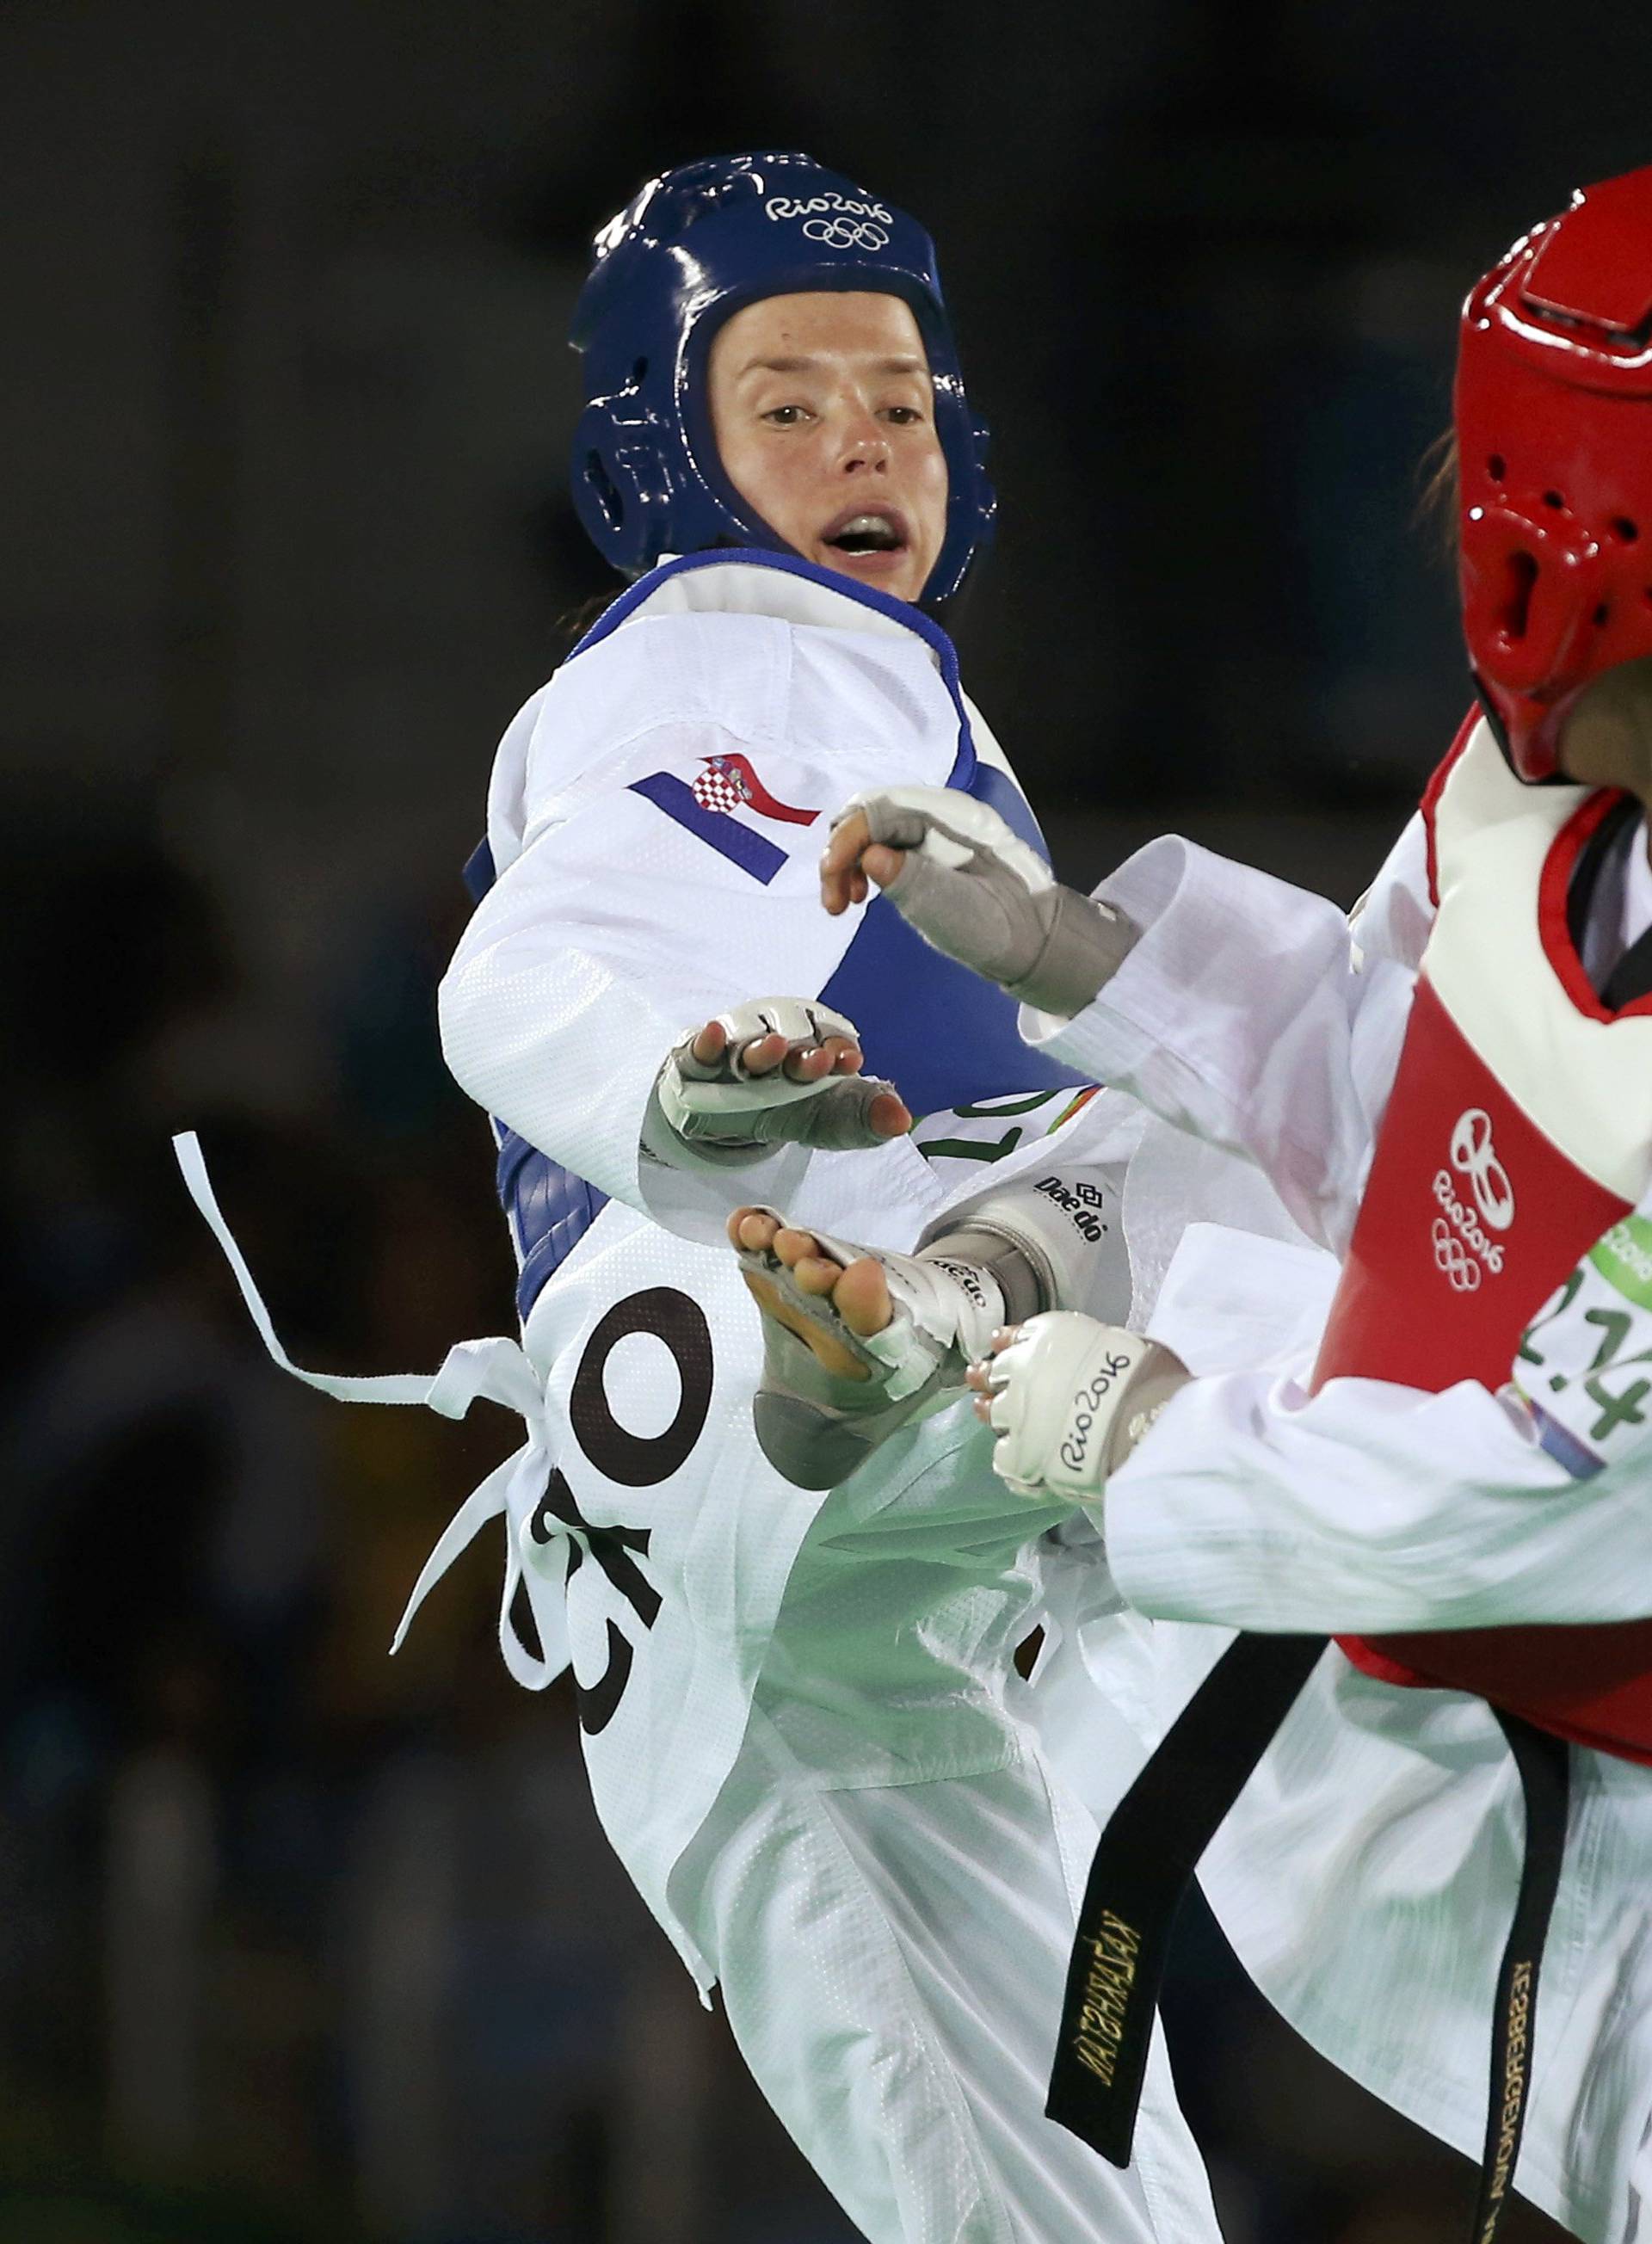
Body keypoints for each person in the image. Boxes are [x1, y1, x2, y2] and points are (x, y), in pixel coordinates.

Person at [182, 152, 1222, 2242]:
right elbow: (521, 971)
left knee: (1064, 2193)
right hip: (754, 1329)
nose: (860, 436)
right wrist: (673, 1087)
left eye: (901, 402)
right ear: (664, 458)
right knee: (1238, 1064)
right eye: (787, 400)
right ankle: (1028, 1368)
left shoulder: (797, 681)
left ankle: (969, 1358)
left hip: (720, 1543)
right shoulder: (749, 644)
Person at [786, 163, 1652, 2244]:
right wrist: (1087, 957)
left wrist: (1158, 1436)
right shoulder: (1545, 799)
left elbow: (1576, 1474)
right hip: (1522, 1738)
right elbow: (1434, 1100)